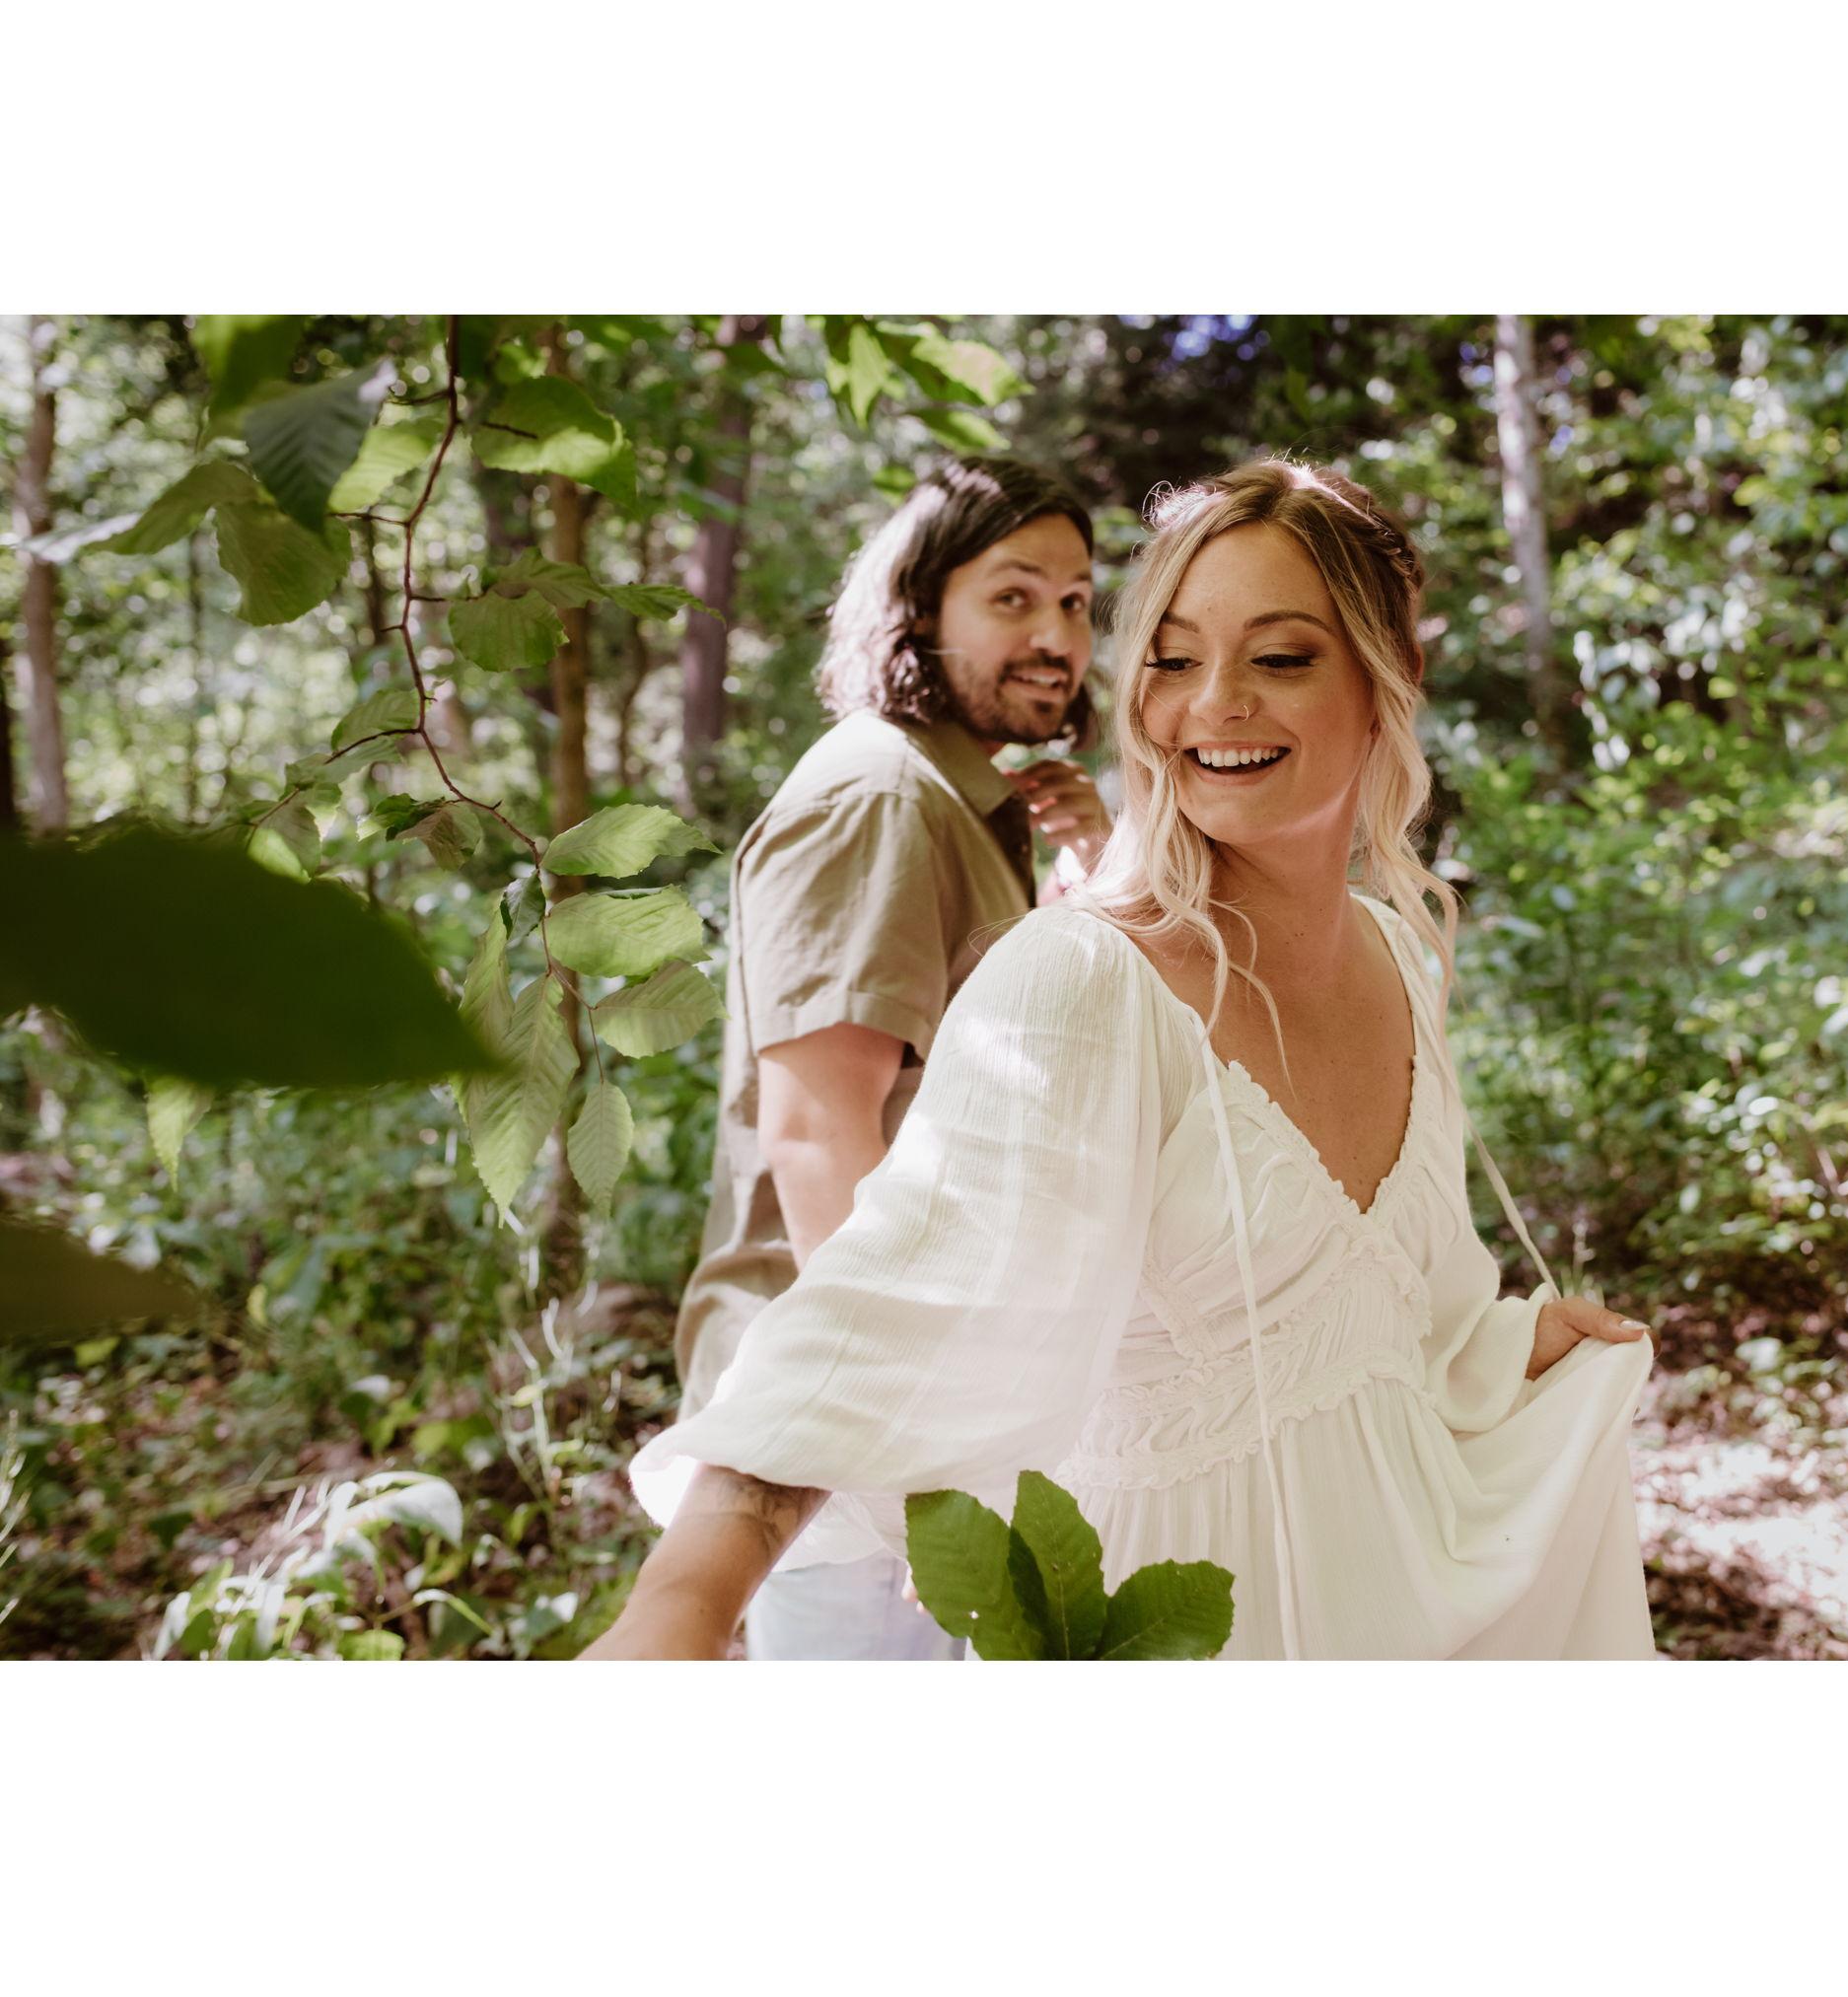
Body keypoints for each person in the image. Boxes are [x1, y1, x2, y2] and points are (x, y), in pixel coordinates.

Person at [590, 459, 1655, 1662]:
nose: (1214, 703)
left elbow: (1407, 1319)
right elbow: (868, 1318)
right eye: (1172, 657)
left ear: (1387, 677)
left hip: (1385, 1592)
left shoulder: (1399, 956)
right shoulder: (1082, 978)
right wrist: (679, 1605)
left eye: (1279, 656)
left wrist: (1516, 1347)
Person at [666, 455, 1111, 1661]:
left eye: (1075, 601)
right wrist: (918, 1453)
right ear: (919, 607)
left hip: (937, 1393)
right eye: (1012, 596)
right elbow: (818, 1136)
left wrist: (1093, 867)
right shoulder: (878, 795)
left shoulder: (964, 803)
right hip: (850, 1429)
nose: (1057, 636)